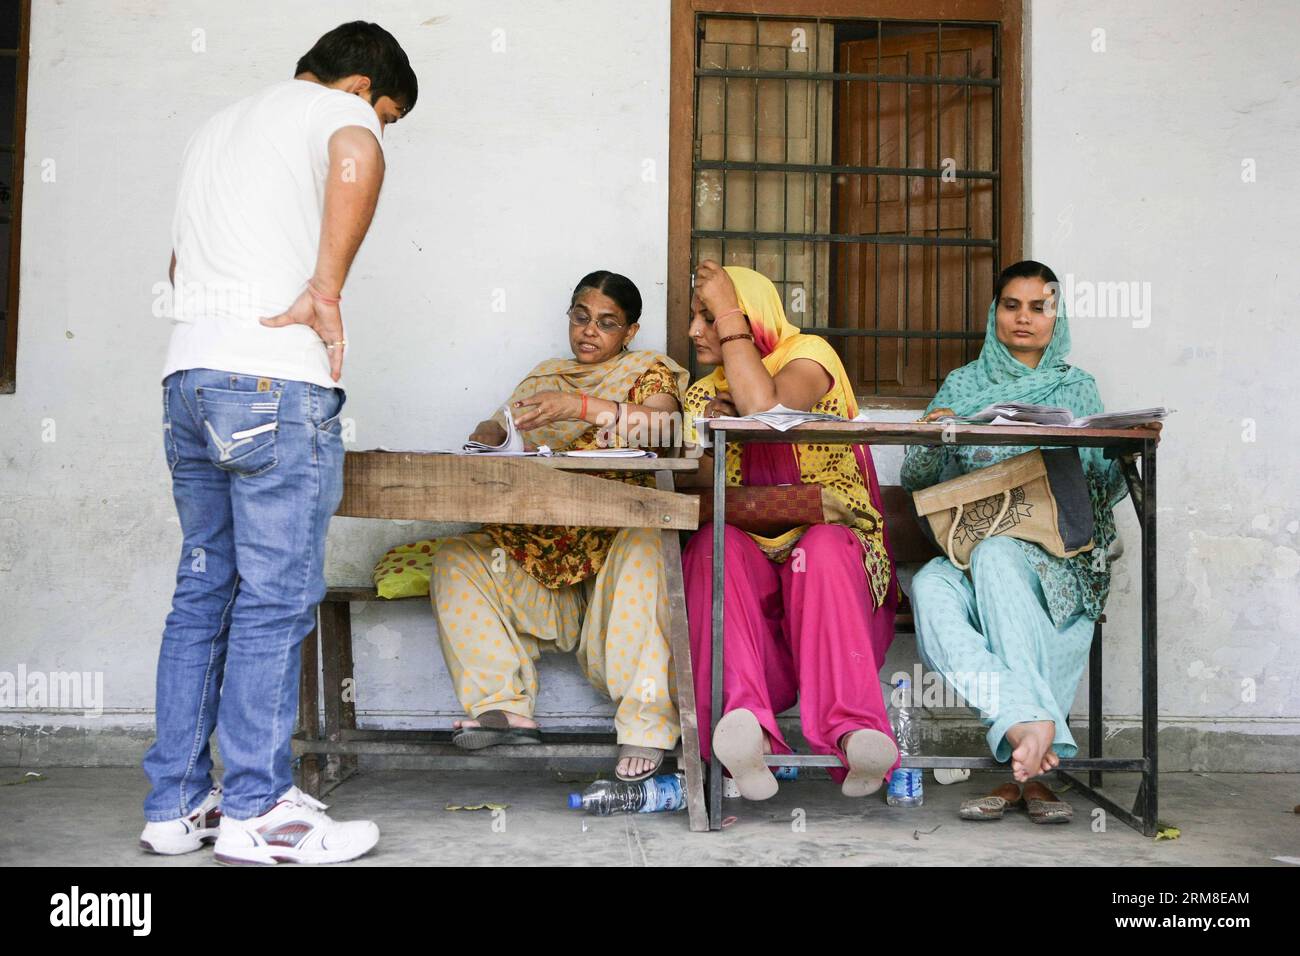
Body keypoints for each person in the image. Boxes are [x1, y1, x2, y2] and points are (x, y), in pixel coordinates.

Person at [141, 21, 416, 864]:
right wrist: (324, 290)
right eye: (389, 114)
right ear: (364, 87)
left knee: (205, 594)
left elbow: (183, 265)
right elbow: (358, 160)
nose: (380, 128)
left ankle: (178, 806)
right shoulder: (342, 114)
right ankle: (260, 810)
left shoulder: (217, 128)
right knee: (275, 596)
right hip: (271, 383)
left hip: (190, 379)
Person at [903, 259, 1138, 823]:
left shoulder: (1075, 386)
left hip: (1053, 556)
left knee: (998, 554)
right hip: (969, 547)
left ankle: (1022, 759)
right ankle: (1025, 725)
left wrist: (1109, 451)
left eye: (1040, 307)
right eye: (1012, 305)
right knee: (932, 586)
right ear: (995, 313)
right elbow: (918, 478)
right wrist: (936, 435)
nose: (1024, 318)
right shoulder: (963, 384)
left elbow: (1100, 492)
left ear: (1056, 316)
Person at [431, 271, 689, 782]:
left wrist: (583, 408)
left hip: (612, 575)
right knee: (456, 558)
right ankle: (504, 707)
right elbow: (497, 427)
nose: (589, 331)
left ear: (630, 333)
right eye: (580, 316)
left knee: (647, 540)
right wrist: (490, 434)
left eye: (607, 323)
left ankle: (646, 724)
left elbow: (668, 427)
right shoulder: (545, 376)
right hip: (539, 563)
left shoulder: (647, 370)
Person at [679, 261, 901, 800]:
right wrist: (712, 433)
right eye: (698, 317)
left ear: (748, 316)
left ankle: (854, 732)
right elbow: (695, 489)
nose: (694, 331)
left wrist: (729, 312)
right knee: (714, 546)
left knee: (821, 549)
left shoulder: (810, 354)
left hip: (833, 561)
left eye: (707, 316)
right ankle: (744, 728)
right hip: (751, 555)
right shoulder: (700, 395)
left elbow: (768, 409)